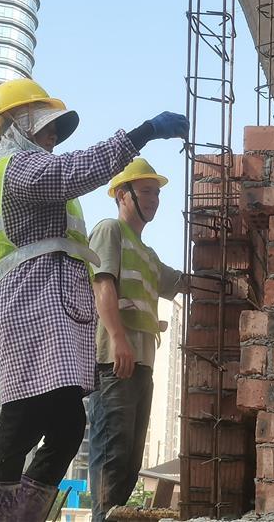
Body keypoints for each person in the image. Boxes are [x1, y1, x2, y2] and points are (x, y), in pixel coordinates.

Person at [0, 79, 188, 522]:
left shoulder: (37, 172)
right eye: (44, 125)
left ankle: (23, 516)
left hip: (54, 307)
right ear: (14, 125)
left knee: (68, 425)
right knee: (21, 420)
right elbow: (76, 170)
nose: (52, 135)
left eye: (55, 128)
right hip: (29, 302)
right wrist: (142, 132)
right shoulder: (18, 168)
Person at [87, 158, 189, 522]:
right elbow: (103, 285)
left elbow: (179, 282)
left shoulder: (147, 253)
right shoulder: (109, 230)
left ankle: (112, 516)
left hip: (141, 363)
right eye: (146, 191)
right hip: (116, 360)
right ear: (122, 195)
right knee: (112, 451)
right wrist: (119, 340)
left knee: (130, 458)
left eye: (157, 193)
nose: (154, 199)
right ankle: (102, 517)